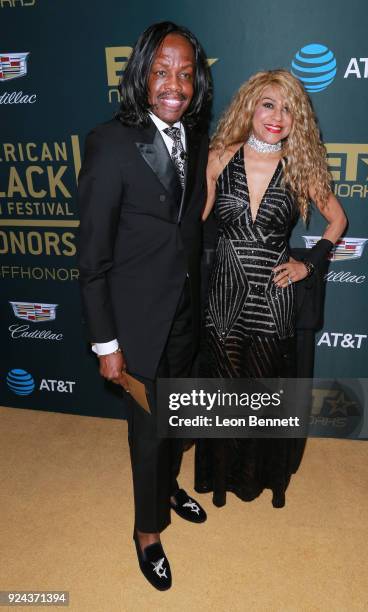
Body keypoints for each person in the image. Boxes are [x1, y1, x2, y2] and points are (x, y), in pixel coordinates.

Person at [78, 22, 211, 591]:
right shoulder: (109, 142)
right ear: (141, 73)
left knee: (177, 422)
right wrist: (106, 344)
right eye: (162, 70)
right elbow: (91, 257)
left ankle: (169, 487)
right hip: (136, 326)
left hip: (186, 311)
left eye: (185, 73)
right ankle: (147, 532)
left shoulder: (196, 132)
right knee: (147, 435)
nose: (174, 84)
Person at [195, 69, 347, 508]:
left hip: (272, 295)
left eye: (287, 108)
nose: (276, 115)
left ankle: (252, 480)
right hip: (224, 293)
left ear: (297, 117)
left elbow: (338, 221)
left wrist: (309, 264)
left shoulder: (300, 166)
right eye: (268, 104)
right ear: (250, 107)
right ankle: (219, 481)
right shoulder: (221, 156)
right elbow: (197, 221)